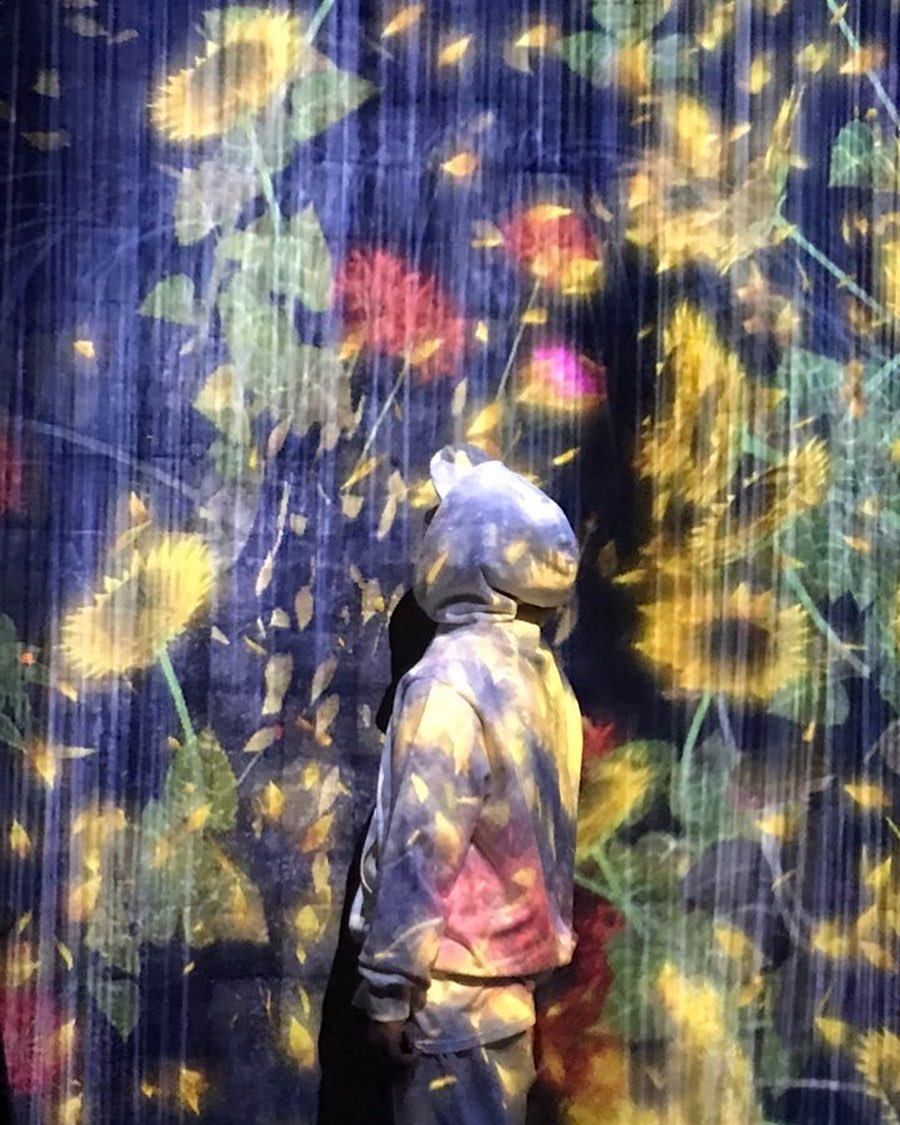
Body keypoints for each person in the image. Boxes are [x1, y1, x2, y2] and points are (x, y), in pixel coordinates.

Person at [350, 449, 583, 1125]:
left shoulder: (448, 680)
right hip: (510, 991)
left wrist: (389, 991)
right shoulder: (543, 678)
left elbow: (421, 843)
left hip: (446, 996)